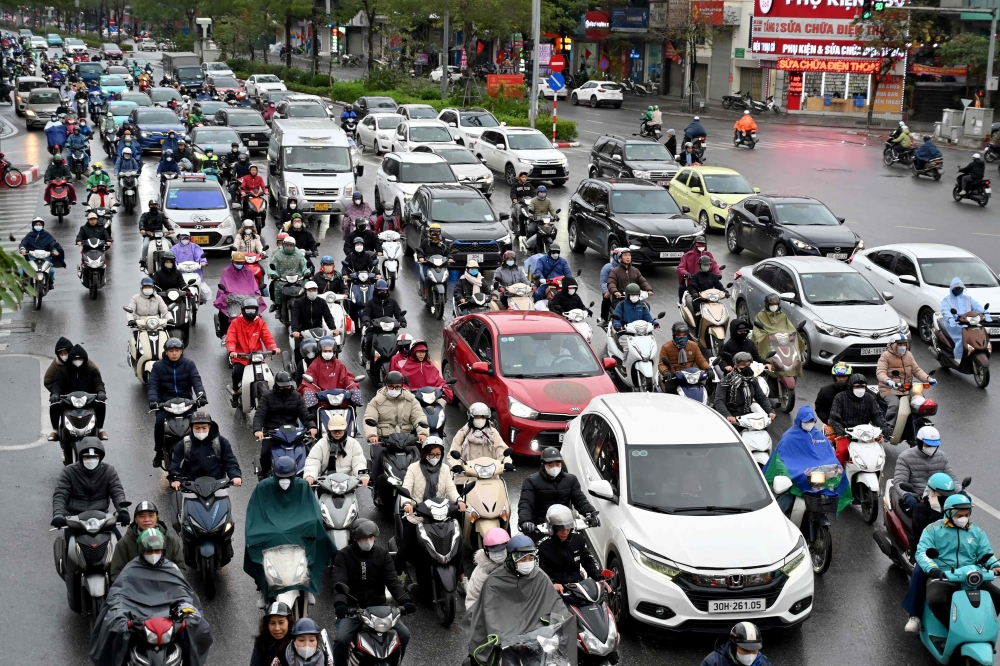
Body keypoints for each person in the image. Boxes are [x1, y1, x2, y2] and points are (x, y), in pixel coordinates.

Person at [91, 528, 212, 666]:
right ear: (141, 551)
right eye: (149, 551)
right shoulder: (130, 569)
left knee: (199, 626)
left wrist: (188, 614)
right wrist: (121, 617)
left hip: (169, 615)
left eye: (157, 551)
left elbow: (183, 596)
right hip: (137, 618)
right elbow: (119, 596)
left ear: (163, 550)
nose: (153, 555)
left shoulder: (171, 568)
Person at [244, 455, 334, 610]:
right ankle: (263, 589)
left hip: (298, 528)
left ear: (295, 474)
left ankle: (308, 585)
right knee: (255, 546)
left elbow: (313, 513)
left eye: (289, 477)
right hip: (270, 529)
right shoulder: (263, 487)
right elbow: (255, 514)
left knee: (315, 541)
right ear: (274, 474)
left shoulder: (303, 487)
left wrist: (312, 526)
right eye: (281, 477)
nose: (285, 481)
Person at [466, 534, 569, 664]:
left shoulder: (540, 576)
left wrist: (557, 623)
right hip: (508, 638)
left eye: (530, 558)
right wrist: (501, 635)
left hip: (535, 635)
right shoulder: (494, 581)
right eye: (522, 559)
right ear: (511, 558)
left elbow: (554, 603)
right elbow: (490, 612)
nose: (527, 563)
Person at [905, 494, 1000, 634]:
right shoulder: (932, 530)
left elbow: (986, 553)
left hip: (969, 576)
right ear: (949, 513)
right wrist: (932, 569)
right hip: (944, 576)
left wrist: (994, 565)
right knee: (935, 600)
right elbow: (922, 552)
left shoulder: (976, 532)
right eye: (960, 515)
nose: (964, 518)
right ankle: (953, 631)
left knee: (997, 597)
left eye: (967, 514)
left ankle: (984, 631)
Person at [332, 520, 414, 666]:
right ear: (355, 538)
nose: (369, 541)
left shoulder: (382, 554)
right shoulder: (343, 556)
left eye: (371, 538)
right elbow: (340, 581)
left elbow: (393, 581)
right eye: (365, 538)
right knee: (341, 640)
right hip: (353, 610)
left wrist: (405, 601)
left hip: (379, 610)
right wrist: (340, 604)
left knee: (404, 634)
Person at [399, 436, 467, 589]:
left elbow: (450, 488)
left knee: (457, 543)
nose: (435, 458)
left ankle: (462, 577)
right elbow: (406, 488)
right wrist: (407, 503)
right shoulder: (414, 468)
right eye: (431, 454)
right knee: (405, 547)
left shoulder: (444, 469)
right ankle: (397, 576)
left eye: (438, 455)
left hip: (441, 515)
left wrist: (459, 500)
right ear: (424, 454)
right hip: (418, 515)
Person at [763, 405, 850, 515]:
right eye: (806, 420)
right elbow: (781, 459)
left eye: (811, 420)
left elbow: (828, 454)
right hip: (798, 476)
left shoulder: (818, 435)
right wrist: (790, 473)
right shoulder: (789, 436)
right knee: (785, 503)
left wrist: (835, 467)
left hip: (814, 477)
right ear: (800, 420)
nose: (809, 423)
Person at [518, 447, 598, 543]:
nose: (554, 467)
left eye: (557, 464)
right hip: (541, 527)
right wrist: (526, 520)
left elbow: (579, 499)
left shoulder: (571, 480)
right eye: (550, 465)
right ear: (543, 464)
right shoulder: (531, 481)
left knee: (579, 547)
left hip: (565, 525)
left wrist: (589, 513)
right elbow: (526, 503)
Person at [51, 438, 127, 536]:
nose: (91, 460)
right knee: (68, 547)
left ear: (100, 457)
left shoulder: (108, 471)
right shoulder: (69, 472)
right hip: (75, 518)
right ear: (81, 457)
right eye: (87, 457)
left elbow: (117, 492)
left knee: (118, 544)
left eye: (95, 457)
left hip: (101, 517)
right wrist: (58, 514)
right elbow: (60, 494)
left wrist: (123, 510)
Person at [148, 337, 206, 465]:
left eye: (177, 350)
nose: (174, 353)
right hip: (166, 404)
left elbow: (196, 381)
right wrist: (153, 400)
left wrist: (201, 395)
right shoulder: (158, 366)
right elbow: (153, 385)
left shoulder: (189, 364)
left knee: (200, 423)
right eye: (171, 350)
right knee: (158, 424)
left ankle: (203, 450)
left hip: (186, 403)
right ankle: (158, 452)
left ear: (182, 351)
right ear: (166, 352)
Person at [537, 504, 607, 595]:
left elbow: (588, 561)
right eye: (561, 529)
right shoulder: (542, 546)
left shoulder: (578, 539)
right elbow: (540, 572)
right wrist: (553, 583)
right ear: (552, 527)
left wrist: (599, 578)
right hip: (556, 589)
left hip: (578, 586)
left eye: (568, 528)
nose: (565, 532)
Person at [109, 501, 185, 584]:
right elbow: (116, 574)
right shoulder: (124, 544)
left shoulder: (170, 540)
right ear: (136, 520)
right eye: (141, 516)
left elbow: (180, 568)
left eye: (151, 516)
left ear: (157, 517)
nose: (147, 520)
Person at [254, 372, 317, 472]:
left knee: (307, 453)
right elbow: (259, 415)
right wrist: (257, 430)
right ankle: (265, 476)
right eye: (283, 387)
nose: (286, 388)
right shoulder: (267, 397)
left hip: (292, 433)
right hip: (272, 433)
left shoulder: (296, 396)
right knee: (264, 454)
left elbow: (304, 414)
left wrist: (312, 427)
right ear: (277, 385)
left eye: (288, 386)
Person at [169, 410, 243, 493]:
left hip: (217, 486)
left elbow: (230, 461)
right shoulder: (184, 444)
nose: (201, 431)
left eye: (204, 428)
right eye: (197, 428)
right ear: (191, 427)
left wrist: (235, 475)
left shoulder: (221, 442)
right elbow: (176, 464)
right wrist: (175, 479)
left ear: (209, 427)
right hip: (191, 487)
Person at [49, 342, 108, 442]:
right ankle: (55, 431)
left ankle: (100, 429)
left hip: (88, 401)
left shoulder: (92, 371)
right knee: (54, 405)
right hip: (68, 401)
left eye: (80, 358)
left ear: (84, 359)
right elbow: (57, 385)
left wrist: (101, 392)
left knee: (101, 404)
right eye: (75, 359)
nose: (78, 361)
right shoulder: (62, 371)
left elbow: (98, 383)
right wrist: (55, 394)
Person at [227, 298, 279, 405]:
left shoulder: (260, 322)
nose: (250, 313)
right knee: (237, 373)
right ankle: (236, 392)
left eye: (253, 310)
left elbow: (267, 336)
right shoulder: (236, 323)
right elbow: (230, 337)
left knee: (269, 375)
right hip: (241, 357)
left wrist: (273, 348)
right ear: (243, 310)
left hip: (257, 356)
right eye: (248, 310)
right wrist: (232, 350)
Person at [877, 333, 935, 429]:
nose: (902, 347)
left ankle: (916, 422)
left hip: (907, 387)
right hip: (889, 388)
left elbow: (916, 370)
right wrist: (888, 381)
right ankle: (888, 427)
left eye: (904, 344)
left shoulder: (908, 355)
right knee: (894, 405)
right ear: (893, 345)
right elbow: (880, 372)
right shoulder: (885, 356)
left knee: (919, 402)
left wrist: (928, 379)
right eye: (900, 344)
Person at [828, 373, 889, 465]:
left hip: (865, 434)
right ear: (851, 387)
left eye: (863, 386)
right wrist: (841, 431)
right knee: (842, 451)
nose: (860, 389)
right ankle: (838, 475)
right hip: (846, 433)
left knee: (878, 453)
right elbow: (834, 416)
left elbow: (877, 415)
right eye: (857, 387)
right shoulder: (840, 398)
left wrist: (885, 427)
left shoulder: (870, 398)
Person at [893, 425, 955, 513]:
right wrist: (907, 496)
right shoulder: (905, 457)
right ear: (919, 442)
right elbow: (899, 481)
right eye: (928, 445)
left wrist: (961, 492)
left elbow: (951, 479)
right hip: (914, 498)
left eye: (935, 445)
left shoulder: (942, 457)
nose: (932, 447)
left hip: (936, 498)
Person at [363, 371, 429, 443]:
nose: (394, 389)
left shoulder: (411, 400)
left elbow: (419, 417)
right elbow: (369, 418)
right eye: (391, 387)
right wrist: (372, 435)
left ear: (402, 386)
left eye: (397, 387)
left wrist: (422, 433)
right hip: (384, 440)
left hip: (406, 439)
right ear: (386, 385)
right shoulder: (377, 401)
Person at [303, 414, 368, 486]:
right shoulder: (321, 443)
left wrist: (362, 476)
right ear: (329, 430)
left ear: (345, 430)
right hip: (325, 483)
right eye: (334, 430)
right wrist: (310, 475)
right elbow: (313, 460)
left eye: (340, 430)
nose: (337, 433)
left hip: (348, 483)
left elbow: (359, 462)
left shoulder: (354, 444)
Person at [714, 352, 776, 424]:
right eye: (743, 365)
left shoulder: (752, 380)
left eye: (748, 365)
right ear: (735, 366)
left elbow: (761, 397)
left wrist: (770, 411)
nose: (746, 368)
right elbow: (719, 401)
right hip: (731, 417)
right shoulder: (725, 382)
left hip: (746, 415)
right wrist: (727, 415)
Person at [216, 252, 266, 339]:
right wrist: (224, 296)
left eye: (241, 262)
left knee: (256, 314)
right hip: (231, 300)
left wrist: (257, 295)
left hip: (246, 300)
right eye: (237, 263)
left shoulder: (248, 271)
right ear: (232, 261)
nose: (239, 264)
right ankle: (225, 334)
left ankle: (258, 334)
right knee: (223, 312)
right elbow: (222, 285)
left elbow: (254, 286)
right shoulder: (226, 271)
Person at [941, 276, 991, 360]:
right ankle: (958, 358)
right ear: (952, 288)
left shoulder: (968, 298)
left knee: (977, 333)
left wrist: (984, 312)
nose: (958, 289)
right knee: (962, 338)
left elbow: (976, 305)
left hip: (968, 322)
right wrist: (950, 318)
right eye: (956, 287)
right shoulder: (947, 299)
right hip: (955, 324)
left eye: (960, 287)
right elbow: (944, 310)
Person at [393, 339, 453, 405]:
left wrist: (444, 387)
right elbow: (401, 382)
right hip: (413, 401)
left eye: (423, 352)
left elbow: (438, 379)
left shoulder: (430, 365)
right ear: (413, 352)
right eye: (419, 352)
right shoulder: (407, 366)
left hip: (430, 399)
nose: (421, 354)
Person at [291, 280, 336, 362]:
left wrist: (333, 328)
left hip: (318, 332)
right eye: (310, 290)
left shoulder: (322, 302)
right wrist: (295, 330)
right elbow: (295, 317)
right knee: (298, 349)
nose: (312, 292)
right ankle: (299, 370)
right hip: (303, 333)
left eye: (314, 290)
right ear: (305, 291)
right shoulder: (298, 302)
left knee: (331, 347)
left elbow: (328, 316)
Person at [465, 528, 510, 610]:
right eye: (494, 550)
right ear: (486, 551)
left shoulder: (516, 566)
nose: (498, 554)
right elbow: (472, 601)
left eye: (502, 549)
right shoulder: (480, 574)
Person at [361, 280, 405, 358]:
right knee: (369, 340)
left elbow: (398, 313)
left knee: (400, 343)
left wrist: (402, 320)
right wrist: (367, 321)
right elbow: (366, 313)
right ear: (376, 290)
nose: (382, 292)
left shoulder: (393, 302)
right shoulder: (370, 303)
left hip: (390, 329)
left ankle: (398, 359)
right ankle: (367, 358)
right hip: (374, 329)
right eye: (380, 290)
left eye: (384, 290)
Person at [268, 235, 310, 313]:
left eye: (291, 245)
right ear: (283, 245)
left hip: (297, 278)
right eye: (287, 245)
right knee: (273, 285)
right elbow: (272, 264)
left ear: (294, 246)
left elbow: (304, 264)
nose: (289, 247)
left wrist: (306, 271)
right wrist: (273, 273)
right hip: (282, 278)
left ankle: (307, 304)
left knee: (308, 285)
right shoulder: (278, 254)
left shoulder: (298, 254)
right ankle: (277, 304)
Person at [19, 217, 64, 286]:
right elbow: (24, 243)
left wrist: (54, 250)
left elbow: (52, 243)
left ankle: (50, 282)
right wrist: (22, 249)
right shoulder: (29, 235)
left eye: (40, 224)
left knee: (51, 270)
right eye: (36, 224)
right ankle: (22, 285)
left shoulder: (47, 235)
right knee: (21, 271)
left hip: (45, 257)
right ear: (33, 225)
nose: (38, 226)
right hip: (32, 257)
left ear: (42, 225)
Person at [700, 622, 772, 666]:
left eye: (754, 650)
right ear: (734, 646)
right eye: (745, 650)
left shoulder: (763, 662)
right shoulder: (712, 663)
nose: (750, 655)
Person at [249, 602, 293, 666]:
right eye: (272, 623)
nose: (277, 628)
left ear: (289, 622)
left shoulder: (296, 641)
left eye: (281, 623)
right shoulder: (261, 642)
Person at [171, 231, 211, 302]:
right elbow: (171, 257)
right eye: (183, 238)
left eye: (186, 238)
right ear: (180, 238)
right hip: (180, 272)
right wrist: (173, 264)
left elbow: (201, 256)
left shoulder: (195, 247)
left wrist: (203, 262)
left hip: (195, 271)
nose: (185, 239)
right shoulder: (174, 248)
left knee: (205, 292)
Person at [677, 235, 719, 302]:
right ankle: (681, 303)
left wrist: (718, 273)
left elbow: (714, 265)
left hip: (707, 281)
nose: (701, 247)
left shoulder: (708, 255)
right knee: (682, 288)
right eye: (699, 245)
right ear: (694, 245)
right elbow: (680, 267)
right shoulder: (687, 255)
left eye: (703, 245)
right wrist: (686, 273)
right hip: (692, 281)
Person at [137, 200, 170, 268]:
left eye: (155, 205)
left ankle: (170, 259)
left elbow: (166, 222)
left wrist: (170, 229)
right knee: (145, 245)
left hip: (159, 235)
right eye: (152, 205)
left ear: (158, 205)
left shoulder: (161, 215)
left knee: (169, 244)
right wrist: (142, 229)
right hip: (149, 235)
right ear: (149, 206)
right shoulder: (145, 215)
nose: (154, 206)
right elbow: (141, 222)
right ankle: (143, 260)